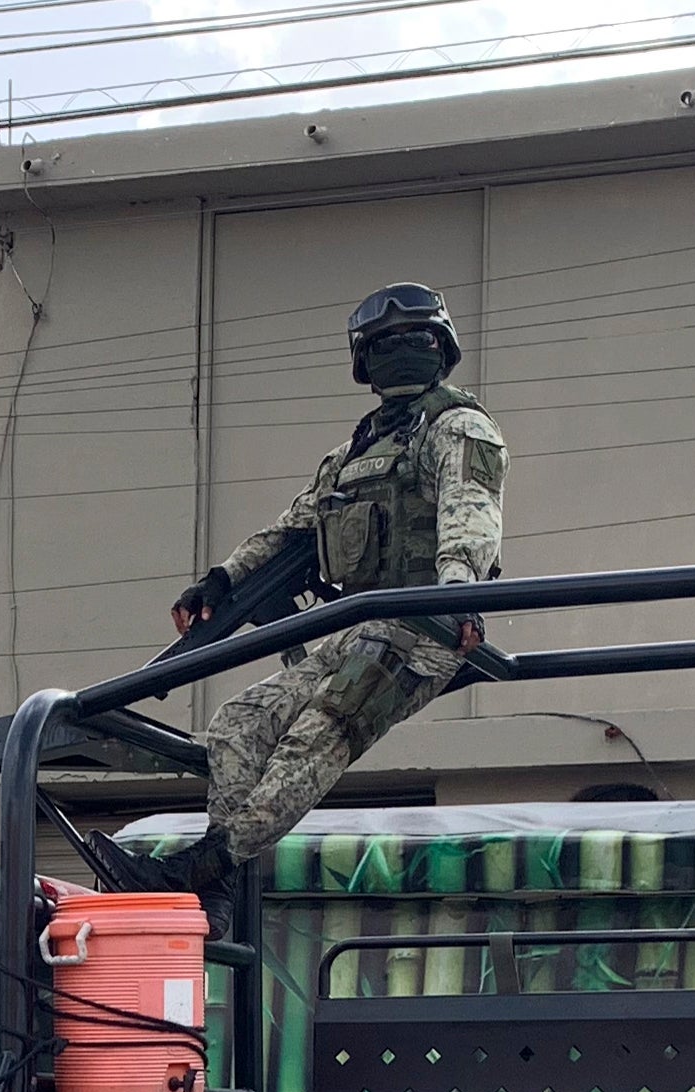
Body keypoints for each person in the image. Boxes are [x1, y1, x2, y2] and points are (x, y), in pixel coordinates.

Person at [136, 283, 507, 909]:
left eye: (414, 338)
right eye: (386, 342)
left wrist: (459, 593)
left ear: (440, 349)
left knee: (319, 732)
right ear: (365, 360)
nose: (400, 351)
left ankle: (205, 866)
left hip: (423, 629)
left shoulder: (459, 428)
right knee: (235, 725)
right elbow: (290, 532)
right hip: (356, 625)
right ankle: (216, 888)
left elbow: (470, 516)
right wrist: (221, 580)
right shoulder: (351, 454)